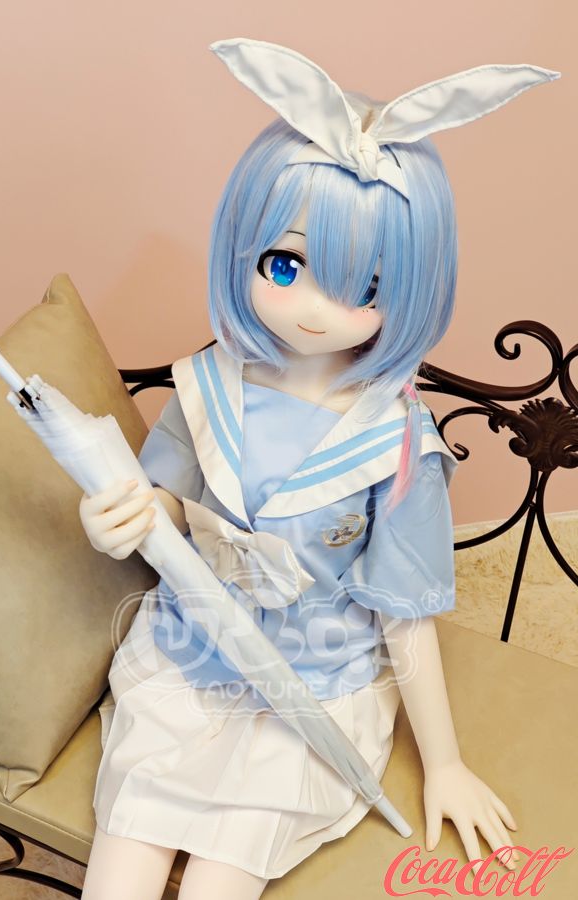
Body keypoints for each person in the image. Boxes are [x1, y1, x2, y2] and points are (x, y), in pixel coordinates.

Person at [77, 37, 558, 900]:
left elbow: (403, 617)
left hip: (311, 690)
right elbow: (165, 505)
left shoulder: (398, 444)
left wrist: (444, 763)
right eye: (286, 264)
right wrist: (123, 515)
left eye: (365, 285)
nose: (312, 309)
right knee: (119, 874)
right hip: (185, 663)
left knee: (220, 882)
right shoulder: (209, 385)